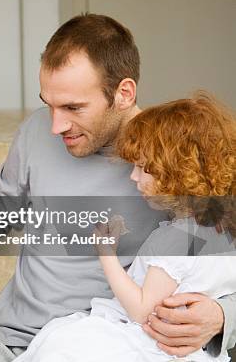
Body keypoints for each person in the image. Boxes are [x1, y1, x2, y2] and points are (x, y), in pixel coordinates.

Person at [0, 14, 235, 361]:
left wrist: (222, 317)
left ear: (123, 93)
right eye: (48, 104)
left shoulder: (179, 160)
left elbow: (222, 261)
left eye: (73, 107)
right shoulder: (37, 131)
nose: (55, 126)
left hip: (117, 343)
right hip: (14, 341)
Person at [13, 92, 236, 362]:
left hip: (143, 343)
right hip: (194, 352)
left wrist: (107, 254)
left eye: (143, 168)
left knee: (58, 344)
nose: (133, 176)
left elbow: (142, 311)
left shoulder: (174, 239)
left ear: (177, 173)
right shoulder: (221, 230)